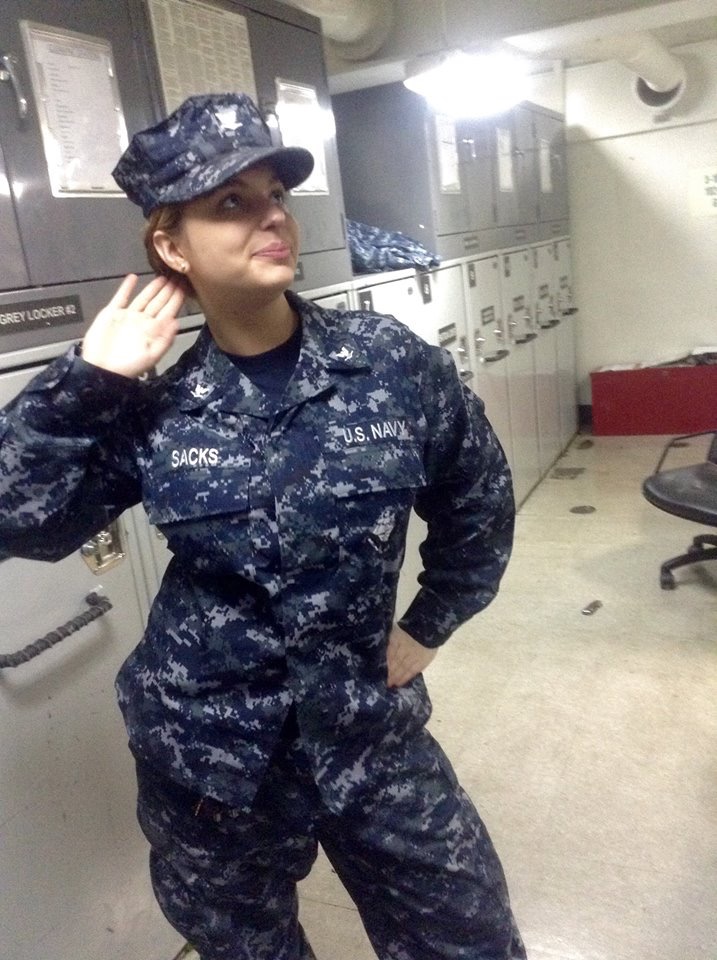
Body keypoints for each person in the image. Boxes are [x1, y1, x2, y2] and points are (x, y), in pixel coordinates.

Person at [0, 92, 526, 960]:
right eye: (231, 203)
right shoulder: (157, 407)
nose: (272, 216)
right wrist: (86, 382)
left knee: (469, 939)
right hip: (209, 762)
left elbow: (478, 500)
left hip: (367, 734)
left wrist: (430, 623)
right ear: (172, 246)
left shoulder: (389, 364)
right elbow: (18, 521)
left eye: (275, 194)